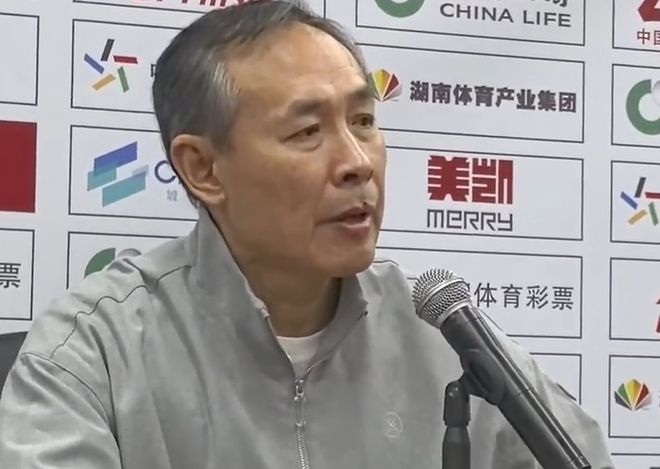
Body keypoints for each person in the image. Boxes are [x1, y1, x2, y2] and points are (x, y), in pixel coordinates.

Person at [0, 1, 615, 468]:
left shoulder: (440, 332)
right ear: (203, 169)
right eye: (306, 132)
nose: (358, 162)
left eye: (364, 121)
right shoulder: (96, 348)